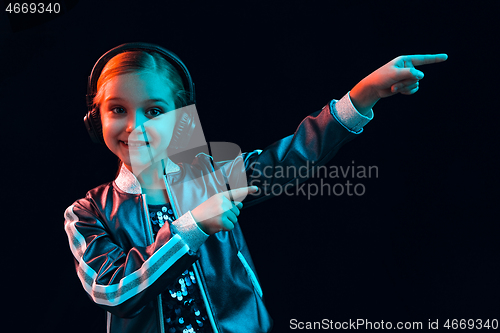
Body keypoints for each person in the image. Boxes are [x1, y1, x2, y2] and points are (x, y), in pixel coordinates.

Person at [63, 42, 447, 333]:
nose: (136, 127)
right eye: (118, 110)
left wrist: (362, 96)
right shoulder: (86, 212)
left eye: (155, 111)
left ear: (181, 120)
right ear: (95, 118)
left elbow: (287, 160)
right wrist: (193, 225)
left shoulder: (206, 176)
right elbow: (113, 291)